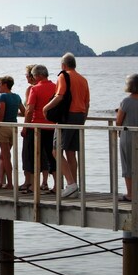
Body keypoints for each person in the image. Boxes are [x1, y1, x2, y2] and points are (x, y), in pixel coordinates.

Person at [42, 53, 90, 198]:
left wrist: (46, 108)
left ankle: (70, 184)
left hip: (67, 116)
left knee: (57, 151)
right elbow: (87, 103)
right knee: (70, 152)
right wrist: (83, 118)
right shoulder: (83, 79)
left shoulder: (63, 76)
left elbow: (60, 96)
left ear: (63, 65)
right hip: (80, 116)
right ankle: (73, 186)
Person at [23, 64, 57, 192]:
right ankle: (56, 185)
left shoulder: (35, 89)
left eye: (34, 75)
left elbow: (30, 109)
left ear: (37, 76)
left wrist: (25, 126)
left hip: (36, 126)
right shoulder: (56, 87)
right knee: (52, 156)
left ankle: (33, 185)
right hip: (53, 126)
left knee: (33, 156)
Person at [0, 76, 25, 190]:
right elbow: (24, 112)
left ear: (5, 84)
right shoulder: (17, 97)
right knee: (3, 155)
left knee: (6, 156)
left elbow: (1, 115)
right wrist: (14, 112)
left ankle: (10, 182)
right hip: (13, 127)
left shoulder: (3, 97)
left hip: (4, 127)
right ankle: (0, 180)